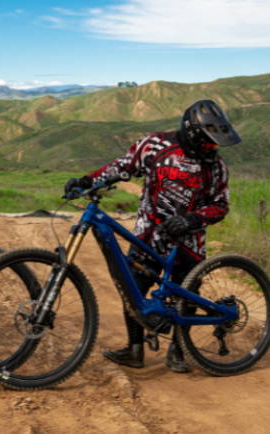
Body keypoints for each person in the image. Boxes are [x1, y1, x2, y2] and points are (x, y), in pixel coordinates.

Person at [63, 100, 238, 372]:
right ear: (194, 134)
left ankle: (179, 351)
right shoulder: (155, 146)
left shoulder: (217, 167)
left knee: (187, 293)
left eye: (215, 143)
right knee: (132, 288)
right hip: (148, 237)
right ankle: (134, 350)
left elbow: (220, 206)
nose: (212, 148)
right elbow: (123, 166)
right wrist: (87, 181)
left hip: (190, 242)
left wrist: (192, 219)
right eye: (208, 142)